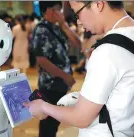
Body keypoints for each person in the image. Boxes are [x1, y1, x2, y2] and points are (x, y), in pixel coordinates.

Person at [24, 1, 134, 137]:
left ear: (98, 5)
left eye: (78, 13)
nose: (79, 22)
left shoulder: (107, 51)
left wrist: (43, 107)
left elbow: (81, 118)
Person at [31, 1, 81, 137]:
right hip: (50, 85)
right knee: (48, 125)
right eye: (57, 9)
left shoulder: (56, 27)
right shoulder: (41, 29)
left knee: (53, 123)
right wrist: (65, 76)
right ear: (47, 11)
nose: (60, 13)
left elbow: (77, 43)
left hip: (59, 85)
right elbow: (42, 60)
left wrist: (64, 25)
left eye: (60, 9)